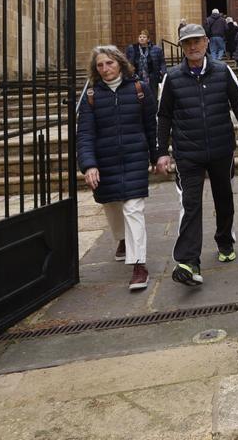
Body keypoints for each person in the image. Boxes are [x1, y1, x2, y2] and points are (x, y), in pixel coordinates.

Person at [157, 23, 238, 286]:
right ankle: (188, 261)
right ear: (182, 46)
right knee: (190, 204)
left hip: (221, 148)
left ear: (206, 42)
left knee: (223, 198)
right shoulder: (172, 78)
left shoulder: (223, 71)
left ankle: (225, 241)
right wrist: (161, 152)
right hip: (187, 153)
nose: (193, 46)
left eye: (197, 41)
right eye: (187, 42)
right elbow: (163, 116)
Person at [77, 45, 161, 292]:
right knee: (111, 204)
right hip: (105, 161)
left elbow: (151, 125)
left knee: (133, 208)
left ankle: (138, 264)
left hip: (135, 157)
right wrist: (89, 165)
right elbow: (85, 134)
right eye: (100, 65)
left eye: (109, 63)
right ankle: (122, 239)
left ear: (120, 63)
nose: (105, 69)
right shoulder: (91, 96)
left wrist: (157, 156)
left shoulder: (139, 89)